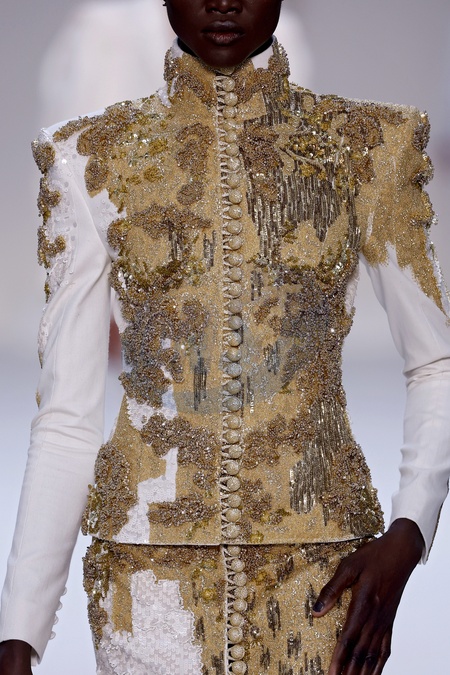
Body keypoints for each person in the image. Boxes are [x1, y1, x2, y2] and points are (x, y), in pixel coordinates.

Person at [1, 0, 450, 673]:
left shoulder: (367, 147)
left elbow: (437, 362)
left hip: (324, 583)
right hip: (146, 592)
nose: (222, 1)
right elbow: (66, 416)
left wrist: (408, 534)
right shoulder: (90, 157)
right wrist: (19, 633)